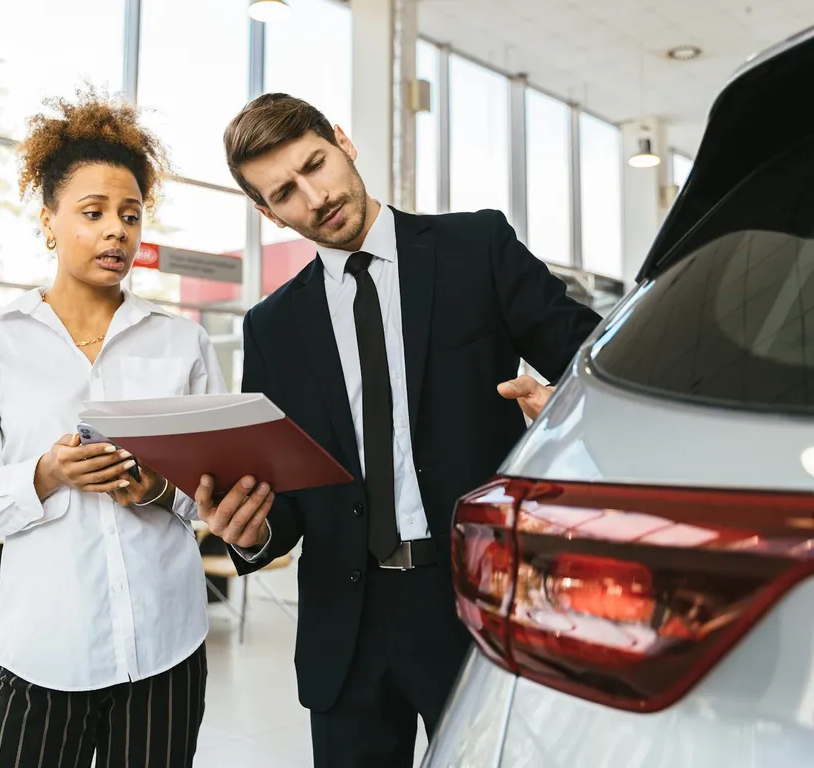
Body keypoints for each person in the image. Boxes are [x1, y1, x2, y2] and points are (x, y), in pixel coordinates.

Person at [194, 93, 602, 767]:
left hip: (474, 602)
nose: (315, 196)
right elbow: (287, 499)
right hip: (344, 631)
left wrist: (564, 411)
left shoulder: (477, 247)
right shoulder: (272, 328)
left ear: (344, 142)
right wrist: (253, 527)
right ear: (267, 213)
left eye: (315, 165)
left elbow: (594, 360)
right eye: (285, 193)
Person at [0, 90, 223, 768]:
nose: (116, 230)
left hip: (166, 650)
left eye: (130, 214)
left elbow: (209, 491)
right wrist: (45, 474)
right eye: (92, 213)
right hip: (43, 653)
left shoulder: (183, 345)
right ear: (49, 222)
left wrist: (154, 491)